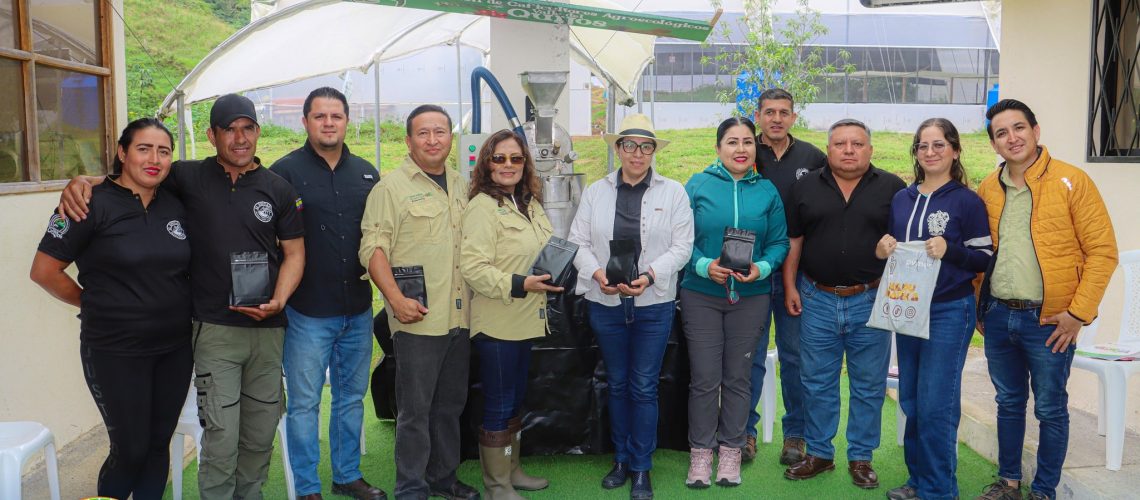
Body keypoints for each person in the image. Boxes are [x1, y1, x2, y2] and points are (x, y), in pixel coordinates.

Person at [58, 94, 307, 500]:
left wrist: (279, 299)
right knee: (220, 437)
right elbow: (134, 176)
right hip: (213, 328)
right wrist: (82, 181)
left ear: (259, 132)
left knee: (260, 435)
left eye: (248, 128)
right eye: (229, 129)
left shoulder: (278, 188)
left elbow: (295, 253)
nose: (240, 138)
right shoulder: (187, 176)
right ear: (211, 136)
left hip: (268, 330)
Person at [30, 118, 192, 500]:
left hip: (174, 349)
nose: (154, 159)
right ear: (122, 152)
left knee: (157, 445)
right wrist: (91, 301)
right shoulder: (87, 203)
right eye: (143, 149)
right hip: (114, 350)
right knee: (130, 450)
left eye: (163, 151)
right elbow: (44, 271)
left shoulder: (176, 203)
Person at [974, 99, 1118, 500]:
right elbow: (979, 253)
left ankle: (1044, 490)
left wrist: (1077, 314)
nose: (1012, 138)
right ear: (994, 144)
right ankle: (1008, 483)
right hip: (999, 315)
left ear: (1036, 131)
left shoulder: (1072, 181)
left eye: (1019, 128)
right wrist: (980, 305)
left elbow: (1103, 252)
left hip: (1051, 321)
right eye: (1001, 133)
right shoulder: (987, 188)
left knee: (1050, 408)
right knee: (1008, 402)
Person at [567, 113, 694, 500]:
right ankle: (620, 459)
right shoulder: (596, 192)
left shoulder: (673, 193)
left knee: (643, 387)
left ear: (654, 151)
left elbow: (682, 247)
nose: (637, 153)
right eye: (629, 145)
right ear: (618, 149)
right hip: (606, 303)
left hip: (652, 305)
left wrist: (651, 276)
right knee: (618, 383)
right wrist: (597, 274)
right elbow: (577, 242)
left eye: (645, 146)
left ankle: (641, 466)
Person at [269, 87, 384, 500]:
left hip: (358, 309)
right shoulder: (283, 173)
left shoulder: (367, 174)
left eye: (336, 116)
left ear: (347, 121)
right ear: (305, 122)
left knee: (351, 399)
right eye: (320, 116)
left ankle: (347, 475)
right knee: (304, 404)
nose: (329, 123)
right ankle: (306, 487)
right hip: (306, 313)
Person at [359, 105, 479, 500]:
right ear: (409, 141)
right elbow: (373, 249)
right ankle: (411, 487)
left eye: (440, 132)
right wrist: (395, 300)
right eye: (423, 133)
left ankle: (443, 478)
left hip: (460, 317)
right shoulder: (389, 189)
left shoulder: (462, 185)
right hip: (418, 320)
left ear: (450, 138)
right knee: (415, 411)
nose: (432, 140)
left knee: (450, 406)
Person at [781, 118, 905, 490]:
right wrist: (789, 286)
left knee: (868, 384)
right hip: (816, 298)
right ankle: (819, 453)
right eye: (840, 144)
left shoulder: (893, 188)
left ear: (870, 149)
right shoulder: (805, 186)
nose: (848, 150)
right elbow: (794, 241)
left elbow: (903, 244)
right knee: (817, 382)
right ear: (828, 149)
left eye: (857, 144)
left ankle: (861, 457)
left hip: (870, 299)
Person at [875, 118, 993, 500]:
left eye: (939, 144)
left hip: (948, 310)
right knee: (911, 398)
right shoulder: (902, 199)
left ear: (955, 150)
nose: (930, 152)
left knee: (936, 403)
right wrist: (882, 250)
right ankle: (919, 481)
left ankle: (940, 491)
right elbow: (894, 250)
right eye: (923, 146)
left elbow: (984, 257)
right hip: (907, 307)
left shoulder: (967, 202)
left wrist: (950, 250)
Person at [680, 117, 788, 489]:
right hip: (701, 295)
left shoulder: (768, 191)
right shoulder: (697, 185)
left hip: (751, 298)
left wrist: (761, 268)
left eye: (747, 142)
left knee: (739, 377)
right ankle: (700, 452)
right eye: (732, 142)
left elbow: (779, 243)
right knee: (705, 378)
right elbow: (679, 239)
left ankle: (731, 451)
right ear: (718, 148)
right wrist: (702, 266)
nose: (740, 149)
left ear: (755, 148)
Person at [460, 129, 562, 499]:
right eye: (499, 158)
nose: (508, 165)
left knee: (516, 401)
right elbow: (473, 268)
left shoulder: (529, 202)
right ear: (487, 163)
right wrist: (521, 283)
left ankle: (512, 469)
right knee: (500, 403)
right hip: (498, 324)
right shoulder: (482, 207)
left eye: (515, 158)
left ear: (525, 164)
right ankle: (497, 485)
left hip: (526, 320)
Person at [748, 88, 827, 464]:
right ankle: (744, 433)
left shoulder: (813, 157)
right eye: (769, 112)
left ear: (794, 117)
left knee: (795, 357)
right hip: (750, 274)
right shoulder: (745, 150)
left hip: (797, 277)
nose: (776, 119)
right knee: (749, 356)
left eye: (783, 112)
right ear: (758, 116)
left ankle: (795, 435)